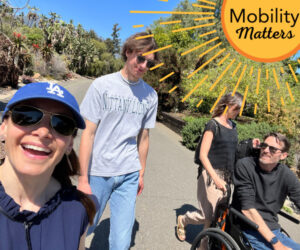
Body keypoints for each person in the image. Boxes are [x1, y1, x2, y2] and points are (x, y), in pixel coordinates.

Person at [78, 32, 158, 249]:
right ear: (128, 51)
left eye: (148, 63)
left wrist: (141, 172)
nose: (143, 66)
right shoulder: (102, 86)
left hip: (129, 173)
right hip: (99, 173)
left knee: (122, 241)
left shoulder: (150, 95)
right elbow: (88, 133)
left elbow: (144, 137)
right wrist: (83, 178)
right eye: (140, 58)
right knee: (83, 228)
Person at [0, 82, 97, 250]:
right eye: (27, 115)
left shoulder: (79, 209)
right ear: (3, 128)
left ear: (69, 144)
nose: (43, 132)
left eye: (62, 124)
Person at [176, 92, 258, 248]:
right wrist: (215, 178)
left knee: (216, 216)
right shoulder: (213, 124)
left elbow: (233, 151)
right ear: (227, 105)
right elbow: (203, 155)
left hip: (226, 177)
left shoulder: (233, 126)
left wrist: (250, 144)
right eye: (236, 108)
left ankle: (203, 246)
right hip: (210, 174)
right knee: (208, 215)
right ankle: (184, 219)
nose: (238, 112)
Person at [233, 132, 300, 250]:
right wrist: (276, 243)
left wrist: (276, 240)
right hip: (248, 229)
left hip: (273, 230)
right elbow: (247, 210)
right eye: (264, 146)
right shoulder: (245, 166)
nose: (266, 150)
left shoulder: (286, 174)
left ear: (283, 155)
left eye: (273, 149)